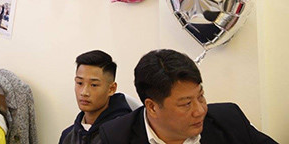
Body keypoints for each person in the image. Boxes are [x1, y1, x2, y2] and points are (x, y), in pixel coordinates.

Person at [99, 49, 278, 143]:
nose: (200, 111)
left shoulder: (229, 120)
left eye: (201, 97)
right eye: (186, 104)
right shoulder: (116, 136)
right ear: (152, 107)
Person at [58, 50, 131, 144]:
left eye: (94, 85)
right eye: (79, 83)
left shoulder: (126, 132)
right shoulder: (67, 136)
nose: (84, 92)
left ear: (111, 89)